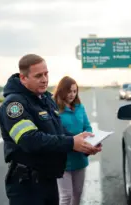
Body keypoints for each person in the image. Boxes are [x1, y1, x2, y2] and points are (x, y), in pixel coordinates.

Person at [0, 54, 101, 205]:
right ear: (23, 78)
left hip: (49, 180)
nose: (45, 79)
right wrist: (72, 142)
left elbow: (58, 133)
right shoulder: (14, 105)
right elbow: (30, 140)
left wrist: (84, 143)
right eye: (38, 75)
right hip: (28, 187)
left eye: (46, 74)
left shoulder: (45, 99)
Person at [53, 76, 93, 205]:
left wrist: (90, 138)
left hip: (80, 157)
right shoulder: (54, 109)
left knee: (78, 193)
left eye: (75, 91)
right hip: (62, 160)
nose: (72, 94)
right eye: (69, 91)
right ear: (61, 90)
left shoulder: (79, 107)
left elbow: (87, 126)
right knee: (66, 196)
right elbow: (56, 132)